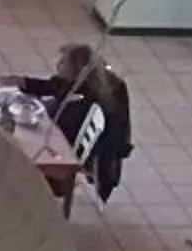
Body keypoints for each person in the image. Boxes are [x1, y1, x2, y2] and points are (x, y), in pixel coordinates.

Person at [21, 40, 134, 205]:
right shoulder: (83, 84)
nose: (58, 66)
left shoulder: (83, 102)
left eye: (63, 63)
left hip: (69, 147)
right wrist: (25, 83)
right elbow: (54, 86)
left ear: (77, 70)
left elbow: (59, 129)